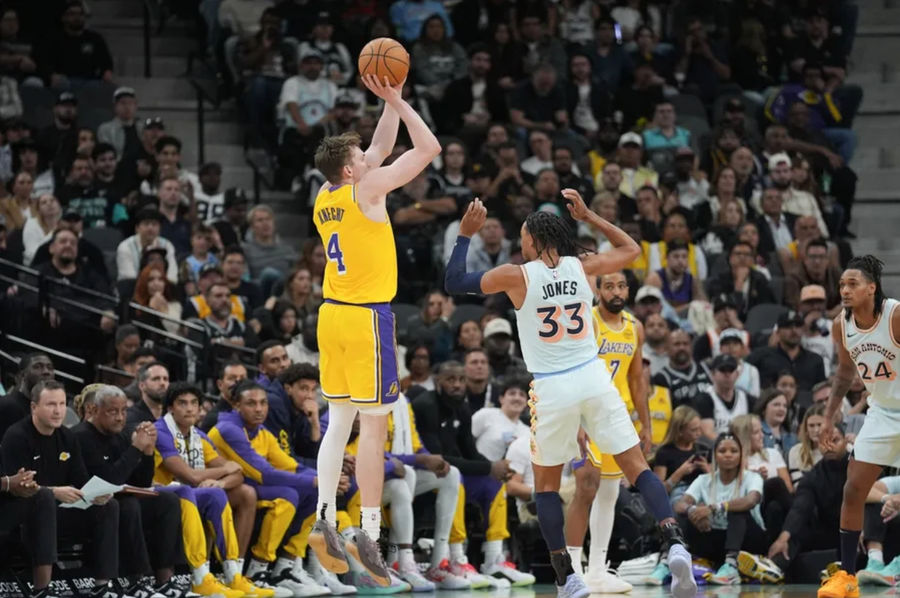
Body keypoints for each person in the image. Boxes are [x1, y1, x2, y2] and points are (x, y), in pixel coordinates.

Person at [444, 192, 697, 598]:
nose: (521, 241)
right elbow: (631, 249)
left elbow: (454, 282)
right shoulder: (584, 267)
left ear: (532, 240)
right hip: (594, 378)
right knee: (637, 467)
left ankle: (567, 576)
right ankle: (675, 542)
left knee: (546, 487)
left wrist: (464, 235)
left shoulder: (517, 274)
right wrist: (590, 216)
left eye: (524, 235)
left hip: (552, 385)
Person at [307, 73, 441, 586]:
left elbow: (382, 146)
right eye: (361, 158)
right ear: (351, 168)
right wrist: (404, 101)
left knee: (337, 421)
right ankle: (367, 529)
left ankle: (324, 518)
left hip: (331, 315)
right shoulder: (369, 189)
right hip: (367, 318)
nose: (371, 159)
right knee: (375, 425)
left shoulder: (327, 192)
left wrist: (386, 101)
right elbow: (426, 147)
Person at [817, 256, 900, 598]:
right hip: (882, 411)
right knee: (853, 489)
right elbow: (844, 374)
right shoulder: (841, 325)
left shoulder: (895, 315)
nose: (845, 291)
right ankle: (847, 576)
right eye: (841, 286)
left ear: (872, 287)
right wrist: (828, 415)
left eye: (852, 285)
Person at [411, 361, 531, 588]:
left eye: (460, 380)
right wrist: (489, 467)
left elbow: (470, 451)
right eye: (450, 380)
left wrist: (495, 468)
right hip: (423, 474)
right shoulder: (426, 406)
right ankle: (456, 559)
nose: (457, 385)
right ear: (438, 383)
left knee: (494, 484)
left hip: (452, 473)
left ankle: (494, 560)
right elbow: (438, 459)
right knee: (455, 477)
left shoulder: (462, 407)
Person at [566, 270, 650, 593]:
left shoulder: (634, 327)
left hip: (617, 416)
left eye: (621, 286)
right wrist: (574, 420)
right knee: (586, 486)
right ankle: (572, 568)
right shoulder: (586, 321)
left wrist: (644, 422)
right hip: (586, 415)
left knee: (610, 494)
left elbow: (636, 380)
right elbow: (570, 370)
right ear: (597, 290)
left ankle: (598, 569)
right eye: (609, 285)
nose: (616, 291)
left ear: (628, 290)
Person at [209, 380, 333, 596]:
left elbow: (291, 466)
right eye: (251, 403)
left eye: (263, 403)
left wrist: (324, 478)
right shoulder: (228, 429)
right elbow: (264, 474)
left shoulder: (262, 431)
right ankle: (258, 569)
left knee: (318, 493)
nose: (259, 409)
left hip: (250, 485)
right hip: (224, 487)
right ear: (237, 406)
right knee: (287, 495)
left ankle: (285, 566)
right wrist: (314, 480)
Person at [1, 380, 122, 598]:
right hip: (23, 515)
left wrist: (95, 494)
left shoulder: (67, 437)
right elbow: (16, 489)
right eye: (50, 405)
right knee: (45, 497)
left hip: (60, 511)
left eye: (61, 404)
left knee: (109, 506)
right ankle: (42, 590)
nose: (58, 411)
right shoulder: (17, 435)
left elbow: (81, 480)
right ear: (34, 407)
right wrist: (54, 491)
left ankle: (103, 586)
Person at [153, 383, 275, 597]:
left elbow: (237, 473)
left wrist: (220, 482)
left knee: (239, 492)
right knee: (197, 492)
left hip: (191, 493)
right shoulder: (161, 431)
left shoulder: (198, 435)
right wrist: (222, 470)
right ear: (170, 408)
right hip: (161, 494)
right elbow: (189, 476)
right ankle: (200, 576)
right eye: (182, 403)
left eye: (194, 403)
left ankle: (232, 573)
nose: (189, 409)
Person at [73, 385, 187, 598]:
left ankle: (164, 579)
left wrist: (148, 451)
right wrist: (135, 449)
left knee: (168, 500)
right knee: (128, 505)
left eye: (124, 411)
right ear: (93, 410)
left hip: (116, 502)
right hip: (86, 506)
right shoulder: (81, 437)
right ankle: (136, 580)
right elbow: (108, 481)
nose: (120, 418)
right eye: (112, 411)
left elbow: (142, 481)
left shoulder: (120, 435)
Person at [674, 432, 779, 585]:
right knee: (683, 515)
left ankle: (731, 565)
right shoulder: (704, 480)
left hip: (748, 541)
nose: (728, 455)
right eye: (722, 451)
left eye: (734, 451)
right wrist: (693, 512)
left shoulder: (752, 477)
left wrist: (715, 507)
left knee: (737, 510)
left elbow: (751, 500)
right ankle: (666, 561)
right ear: (715, 455)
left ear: (741, 455)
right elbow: (680, 504)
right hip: (716, 539)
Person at [746, 310, 827, 392]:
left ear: (803, 330)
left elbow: (822, 391)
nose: (794, 330)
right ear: (777, 332)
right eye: (788, 326)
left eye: (798, 326)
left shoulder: (815, 360)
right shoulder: (760, 356)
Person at [653, 406, 708, 506]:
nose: (699, 433)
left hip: (702, 491)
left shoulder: (704, 449)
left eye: (699, 429)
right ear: (680, 431)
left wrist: (707, 469)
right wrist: (680, 473)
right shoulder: (665, 452)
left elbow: (719, 484)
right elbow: (657, 492)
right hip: (678, 492)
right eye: (693, 430)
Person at [471, 379, 530, 461]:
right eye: (512, 393)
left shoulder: (528, 432)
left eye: (522, 395)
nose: (517, 398)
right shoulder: (486, 414)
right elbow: (465, 440)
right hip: (477, 470)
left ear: (526, 403)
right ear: (501, 399)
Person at [652, 329, 712, 409]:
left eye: (685, 344)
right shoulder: (661, 378)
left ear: (691, 346)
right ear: (667, 348)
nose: (682, 347)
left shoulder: (706, 367)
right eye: (677, 344)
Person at [787, 403, 826, 483]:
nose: (816, 430)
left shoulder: (844, 449)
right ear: (806, 429)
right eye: (811, 426)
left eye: (819, 425)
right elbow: (798, 485)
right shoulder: (796, 451)